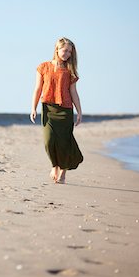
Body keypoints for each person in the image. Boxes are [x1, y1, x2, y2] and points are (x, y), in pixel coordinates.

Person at [30, 37, 83, 184]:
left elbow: (74, 93)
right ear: (57, 49)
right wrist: (33, 108)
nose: (67, 54)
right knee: (49, 140)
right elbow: (37, 89)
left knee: (64, 142)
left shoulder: (69, 71)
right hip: (48, 108)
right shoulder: (43, 67)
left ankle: (63, 173)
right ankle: (55, 165)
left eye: (70, 52)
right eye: (65, 50)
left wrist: (79, 112)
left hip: (65, 110)